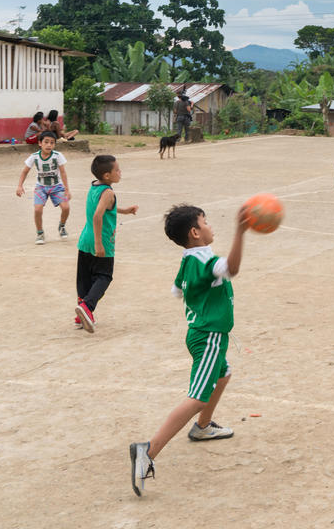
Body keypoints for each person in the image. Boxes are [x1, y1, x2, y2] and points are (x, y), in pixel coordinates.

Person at [129, 203, 250, 496]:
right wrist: (241, 232)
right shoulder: (205, 262)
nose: (210, 226)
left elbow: (178, 290)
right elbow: (231, 268)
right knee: (197, 397)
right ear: (195, 232)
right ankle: (148, 452)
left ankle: (203, 427)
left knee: (223, 374)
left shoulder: (190, 258)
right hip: (209, 337)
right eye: (205, 222)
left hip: (201, 334)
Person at [74, 154, 138, 332]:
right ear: (107, 175)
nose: (120, 172)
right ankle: (87, 307)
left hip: (84, 240)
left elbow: (104, 207)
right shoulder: (109, 192)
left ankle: (81, 313)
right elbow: (97, 215)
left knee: (85, 278)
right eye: (117, 170)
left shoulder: (94, 187)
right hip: (100, 242)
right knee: (104, 276)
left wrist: (124, 210)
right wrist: (99, 244)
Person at [15, 132, 72, 244]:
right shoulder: (34, 157)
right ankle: (40, 233)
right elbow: (25, 171)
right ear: (40, 143)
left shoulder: (57, 156)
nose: (49, 145)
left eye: (52, 143)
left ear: (55, 145)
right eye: (46, 142)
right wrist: (19, 186)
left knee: (66, 208)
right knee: (37, 210)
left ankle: (62, 226)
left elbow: (63, 173)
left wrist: (67, 189)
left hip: (57, 186)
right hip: (41, 187)